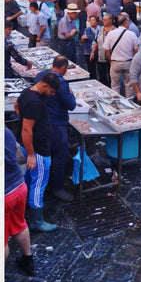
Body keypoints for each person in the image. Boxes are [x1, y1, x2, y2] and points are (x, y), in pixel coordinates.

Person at [15, 74, 59, 233]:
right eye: (52, 91)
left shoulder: (27, 92)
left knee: (30, 177)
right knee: (39, 182)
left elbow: (16, 106)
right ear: (45, 86)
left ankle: (23, 204)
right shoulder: (35, 103)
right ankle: (37, 220)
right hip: (38, 150)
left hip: (31, 147)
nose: (52, 95)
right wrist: (32, 155)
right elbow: (27, 129)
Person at [42, 64, 78, 204]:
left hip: (43, 122)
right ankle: (57, 188)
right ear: (64, 67)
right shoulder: (61, 83)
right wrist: (71, 94)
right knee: (60, 157)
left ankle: (48, 183)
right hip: (56, 124)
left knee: (47, 154)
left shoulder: (41, 75)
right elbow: (71, 105)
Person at [3, 127, 34, 275]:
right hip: (19, 186)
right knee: (19, 224)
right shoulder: (5, 131)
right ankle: (28, 260)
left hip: (3, 195)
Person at [106, 14, 140, 98]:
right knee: (129, 85)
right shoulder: (132, 34)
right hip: (128, 63)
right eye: (128, 23)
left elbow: (106, 49)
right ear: (125, 23)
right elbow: (136, 50)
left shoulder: (111, 34)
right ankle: (130, 105)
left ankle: (115, 104)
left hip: (115, 63)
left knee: (115, 86)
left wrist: (111, 61)